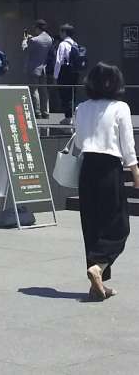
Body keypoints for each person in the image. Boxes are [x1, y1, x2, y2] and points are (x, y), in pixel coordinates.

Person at [75, 63, 139, 300]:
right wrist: (135, 171)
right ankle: (99, 266)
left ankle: (97, 284)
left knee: (92, 225)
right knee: (119, 225)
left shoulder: (82, 107)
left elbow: (79, 141)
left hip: (87, 167)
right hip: (109, 168)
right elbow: (127, 144)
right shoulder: (120, 107)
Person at [22, 20, 53, 119]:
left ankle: (37, 111)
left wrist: (24, 41)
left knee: (34, 90)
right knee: (44, 90)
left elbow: (26, 50)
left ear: (37, 28)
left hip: (33, 68)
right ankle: (46, 111)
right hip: (43, 67)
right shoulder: (49, 39)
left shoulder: (34, 40)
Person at [54, 23, 78, 126]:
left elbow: (58, 61)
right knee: (72, 94)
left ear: (64, 32)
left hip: (65, 71)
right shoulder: (75, 44)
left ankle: (68, 118)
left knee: (64, 94)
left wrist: (55, 75)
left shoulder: (62, 44)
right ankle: (71, 116)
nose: (60, 34)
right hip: (74, 72)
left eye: (61, 31)